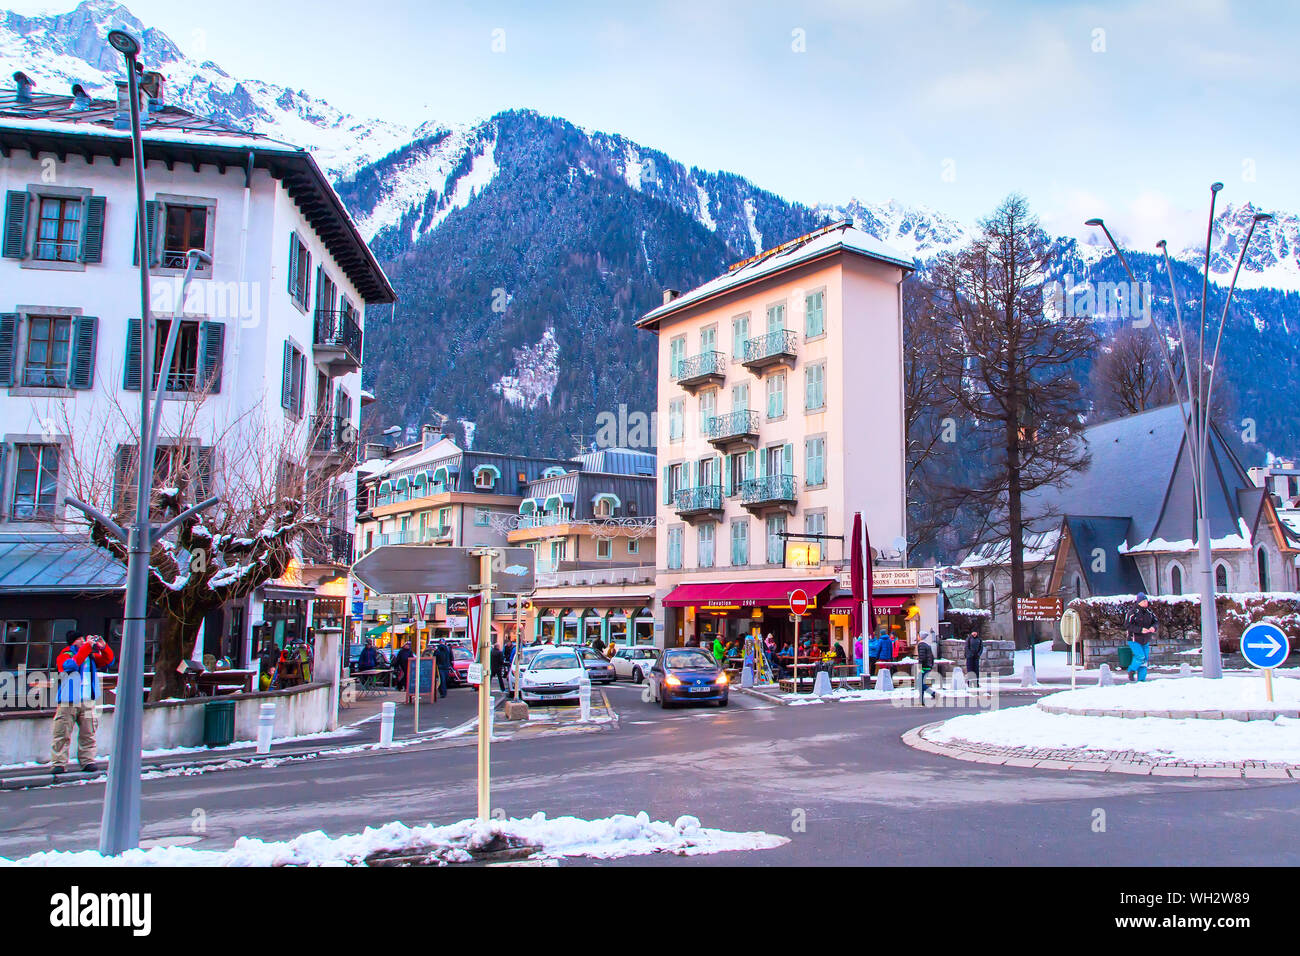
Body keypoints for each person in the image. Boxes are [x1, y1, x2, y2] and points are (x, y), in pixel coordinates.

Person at [51, 632, 114, 774]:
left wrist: (103, 647)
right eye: (81, 639)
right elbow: (70, 665)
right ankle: (59, 763)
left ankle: (88, 761)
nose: (84, 641)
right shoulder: (65, 654)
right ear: (74, 642)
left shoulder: (89, 656)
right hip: (68, 701)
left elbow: (108, 661)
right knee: (62, 732)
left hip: (87, 700)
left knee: (88, 732)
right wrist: (86, 648)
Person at [1125, 593, 1158, 682]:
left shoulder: (1149, 612)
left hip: (1145, 639)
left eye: (1146, 601)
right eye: (1143, 601)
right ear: (1139, 602)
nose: (1145, 603)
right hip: (1134, 639)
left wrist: (1153, 628)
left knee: (1144, 661)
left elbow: (1155, 622)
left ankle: (1141, 680)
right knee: (1140, 656)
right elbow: (1128, 625)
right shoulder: (1132, 612)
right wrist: (1140, 630)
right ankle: (1131, 670)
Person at [916, 636, 937, 704]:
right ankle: (921, 700)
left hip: (924, 667)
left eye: (918, 636)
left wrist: (919, 667)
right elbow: (932, 657)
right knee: (921, 683)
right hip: (928, 666)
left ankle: (933, 694)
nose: (917, 637)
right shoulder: (927, 645)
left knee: (920, 684)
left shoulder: (921, 645)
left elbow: (922, 657)